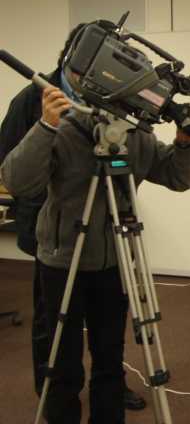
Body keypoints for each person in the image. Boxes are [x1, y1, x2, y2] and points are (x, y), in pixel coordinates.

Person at [0, 40, 190, 423]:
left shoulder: (134, 136)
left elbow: (177, 176)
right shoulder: (64, 126)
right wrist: (45, 126)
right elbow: (16, 180)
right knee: (62, 360)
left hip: (114, 260)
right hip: (63, 259)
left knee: (110, 357)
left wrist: (184, 142)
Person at [0, 25, 148, 412]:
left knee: (106, 328)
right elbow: (11, 167)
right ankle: (49, 391)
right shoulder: (32, 99)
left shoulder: (109, 100)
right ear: (76, 57)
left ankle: (111, 388)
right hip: (49, 229)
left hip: (104, 231)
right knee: (53, 325)